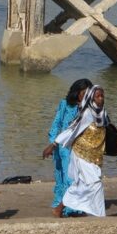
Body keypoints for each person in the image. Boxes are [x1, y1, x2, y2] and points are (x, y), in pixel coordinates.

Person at [55, 85, 115, 217]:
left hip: (96, 155)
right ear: (91, 98)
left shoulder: (103, 113)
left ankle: (59, 208)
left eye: (102, 96)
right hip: (82, 154)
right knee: (96, 183)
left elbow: (109, 133)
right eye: (98, 96)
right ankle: (100, 215)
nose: (101, 99)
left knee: (82, 184)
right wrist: (55, 143)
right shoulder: (87, 114)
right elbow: (72, 130)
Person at [42, 78, 92, 218]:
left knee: (78, 178)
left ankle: (71, 207)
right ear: (76, 92)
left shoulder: (88, 109)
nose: (85, 96)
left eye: (88, 94)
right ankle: (66, 207)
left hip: (81, 149)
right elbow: (56, 124)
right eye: (83, 93)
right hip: (63, 149)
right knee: (66, 178)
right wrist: (53, 144)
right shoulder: (65, 105)